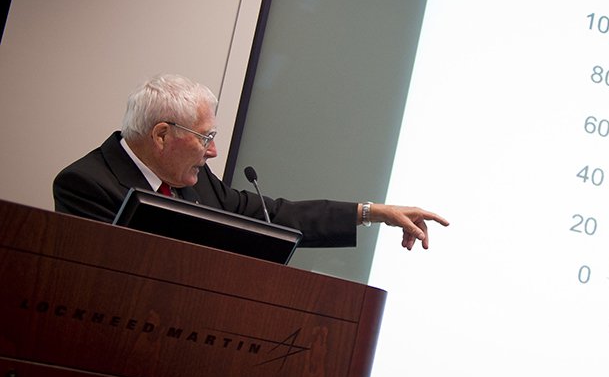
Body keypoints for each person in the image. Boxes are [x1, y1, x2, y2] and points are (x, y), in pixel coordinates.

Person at [53, 74, 447, 250]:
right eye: (205, 138)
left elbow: (271, 215)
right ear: (161, 135)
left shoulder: (196, 179)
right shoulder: (86, 185)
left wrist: (371, 212)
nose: (213, 153)